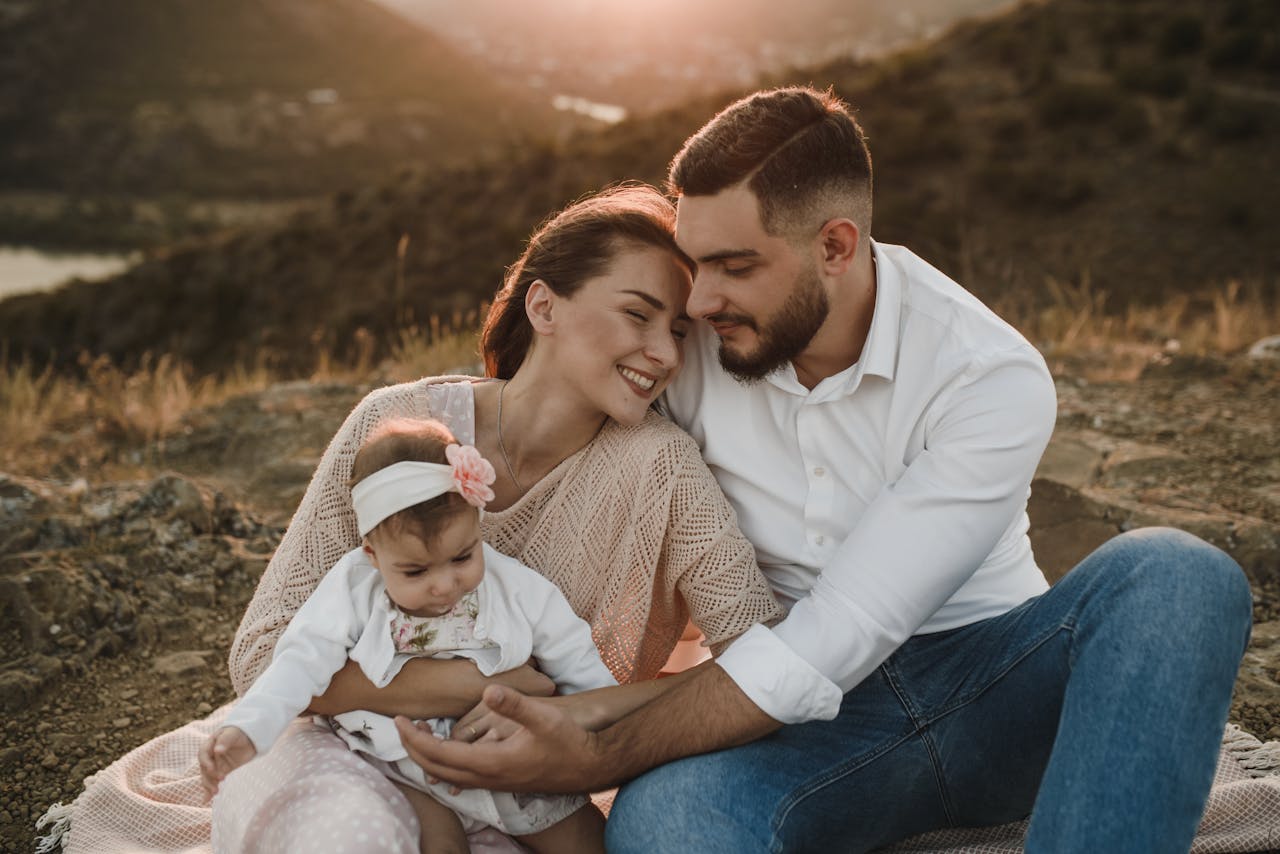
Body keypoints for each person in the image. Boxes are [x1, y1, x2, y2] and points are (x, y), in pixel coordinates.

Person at [397, 87, 1255, 853]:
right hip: (803, 734)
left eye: (735, 267)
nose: (698, 303)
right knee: (664, 828)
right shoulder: (689, 346)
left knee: (1177, 575)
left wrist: (598, 747)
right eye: (697, 265)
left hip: (995, 689)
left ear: (836, 247)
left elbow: (848, 626)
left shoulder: (985, 372)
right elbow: (563, 438)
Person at [43, 184, 783, 854]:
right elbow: (263, 654)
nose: (663, 353)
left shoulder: (663, 468)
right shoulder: (395, 424)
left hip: (525, 788)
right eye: (636, 314)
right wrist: (480, 686)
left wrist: (576, 719)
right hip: (342, 749)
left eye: (680, 332)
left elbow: (764, 658)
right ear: (544, 306)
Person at [202, 418, 623, 854]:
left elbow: (577, 659)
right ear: (373, 554)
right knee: (440, 844)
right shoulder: (353, 589)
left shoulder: (516, 587)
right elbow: (298, 663)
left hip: (507, 758)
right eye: (416, 571)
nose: (444, 585)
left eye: (462, 557)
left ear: (478, 524)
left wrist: (610, 735)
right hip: (406, 767)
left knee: (587, 838)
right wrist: (247, 730)